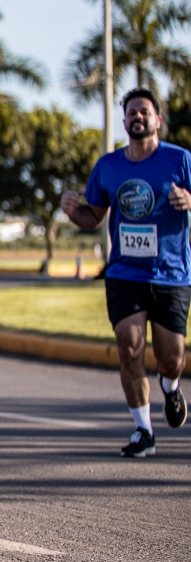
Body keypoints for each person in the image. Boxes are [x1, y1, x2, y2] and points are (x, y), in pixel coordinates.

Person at [60, 89, 188, 457]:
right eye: (132, 112)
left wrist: (189, 200)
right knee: (129, 345)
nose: (138, 117)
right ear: (125, 120)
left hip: (171, 274)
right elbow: (93, 217)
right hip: (125, 273)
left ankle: (171, 386)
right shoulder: (109, 166)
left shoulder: (180, 160)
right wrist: (72, 210)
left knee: (170, 356)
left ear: (157, 119)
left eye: (145, 112)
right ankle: (143, 430)